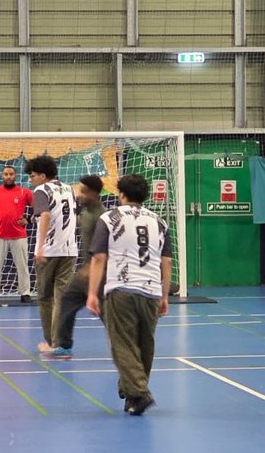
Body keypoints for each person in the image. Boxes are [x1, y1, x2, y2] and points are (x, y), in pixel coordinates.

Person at [86, 174, 171, 416]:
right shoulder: (159, 221)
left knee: (122, 344)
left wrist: (92, 293)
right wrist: (164, 295)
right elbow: (166, 261)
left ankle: (140, 393)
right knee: (145, 345)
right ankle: (132, 393)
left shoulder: (109, 218)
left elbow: (99, 257)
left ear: (121, 195)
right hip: (152, 290)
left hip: (121, 289)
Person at [46, 175, 107, 359]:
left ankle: (125, 345)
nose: (78, 195)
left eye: (82, 191)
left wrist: (91, 269)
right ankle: (64, 346)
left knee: (108, 315)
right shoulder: (86, 213)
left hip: (99, 274)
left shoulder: (101, 217)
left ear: (92, 193)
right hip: (85, 273)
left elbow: (105, 249)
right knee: (67, 300)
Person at [28, 155, 77, 353]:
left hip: (49, 250)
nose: (30, 180)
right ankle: (62, 343)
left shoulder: (40, 190)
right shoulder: (68, 188)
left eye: (32, 176)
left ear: (42, 175)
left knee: (45, 297)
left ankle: (51, 342)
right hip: (69, 249)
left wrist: (39, 246)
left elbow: (47, 214)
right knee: (61, 298)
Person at [0, 165, 34, 303]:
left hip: (19, 235)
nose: (8, 176)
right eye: (6, 174)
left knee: (22, 265)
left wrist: (27, 219)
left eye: (11, 174)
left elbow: (37, 206)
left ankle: (25, 293)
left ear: (15, 176)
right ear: (2, 176)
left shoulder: (24, 192)